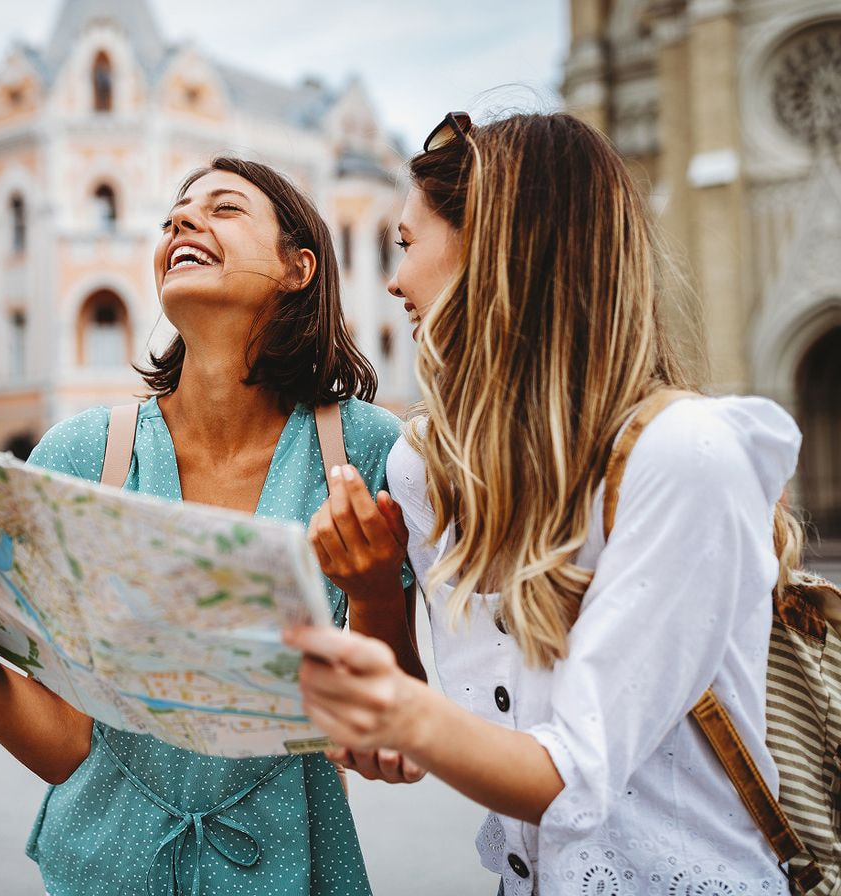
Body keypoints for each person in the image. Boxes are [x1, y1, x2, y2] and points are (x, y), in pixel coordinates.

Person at [0, 157, 421, 895]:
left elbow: (395, 736)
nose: (182, 221)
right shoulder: (80, 455)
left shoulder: (364, 450)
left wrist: (376, 593)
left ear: (299, 267)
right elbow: (64, 745)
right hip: (101, 873)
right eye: (174, 216)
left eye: (224, 208)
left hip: (294, 873)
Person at [285, 112, 804, 892]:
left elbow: (573, 777)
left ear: (495, 250)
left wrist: (393, 709)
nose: (394, 281)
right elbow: (417, 744)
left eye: (407, 244)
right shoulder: (425, 467)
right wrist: (373, 595)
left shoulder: (682, 454)